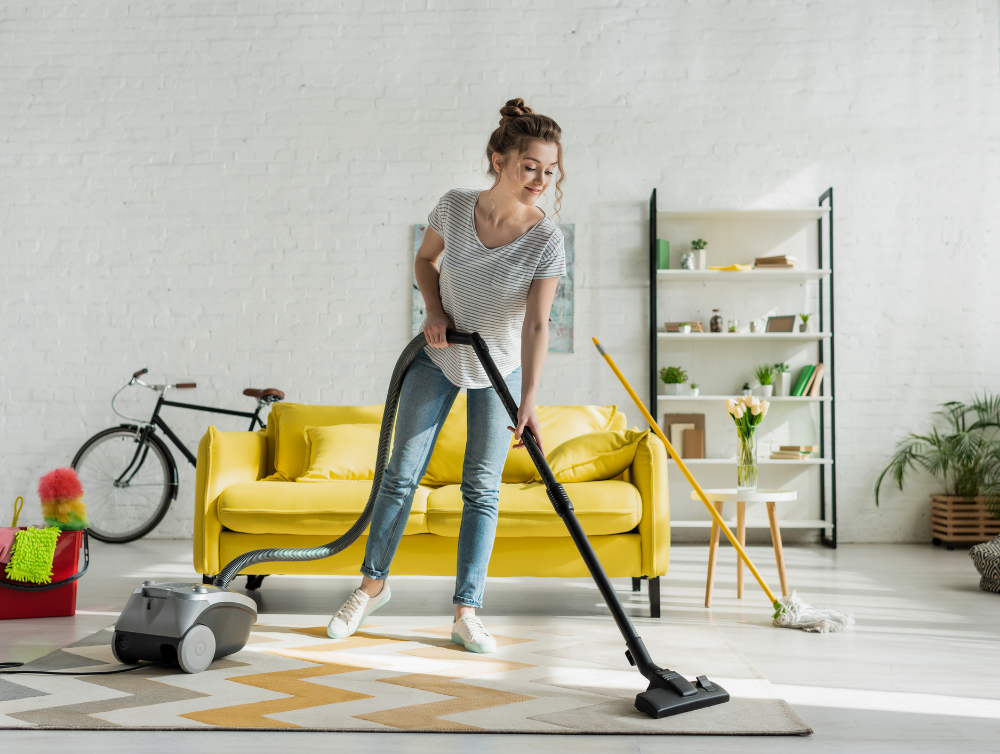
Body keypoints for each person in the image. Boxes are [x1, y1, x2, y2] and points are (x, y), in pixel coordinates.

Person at [327, 98, 567, 653]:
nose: (540, 179)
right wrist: (433, 312)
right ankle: (371, 586)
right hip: (438, 357)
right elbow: (424, 261)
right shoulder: (456, 207)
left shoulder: (545, 238)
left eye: (549, 170)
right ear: (499, 159)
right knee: (399, 474)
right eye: (530, 165)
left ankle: (466, 611)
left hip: (498, 368)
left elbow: (536, 324)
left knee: (482, 490)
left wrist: (528, 399)